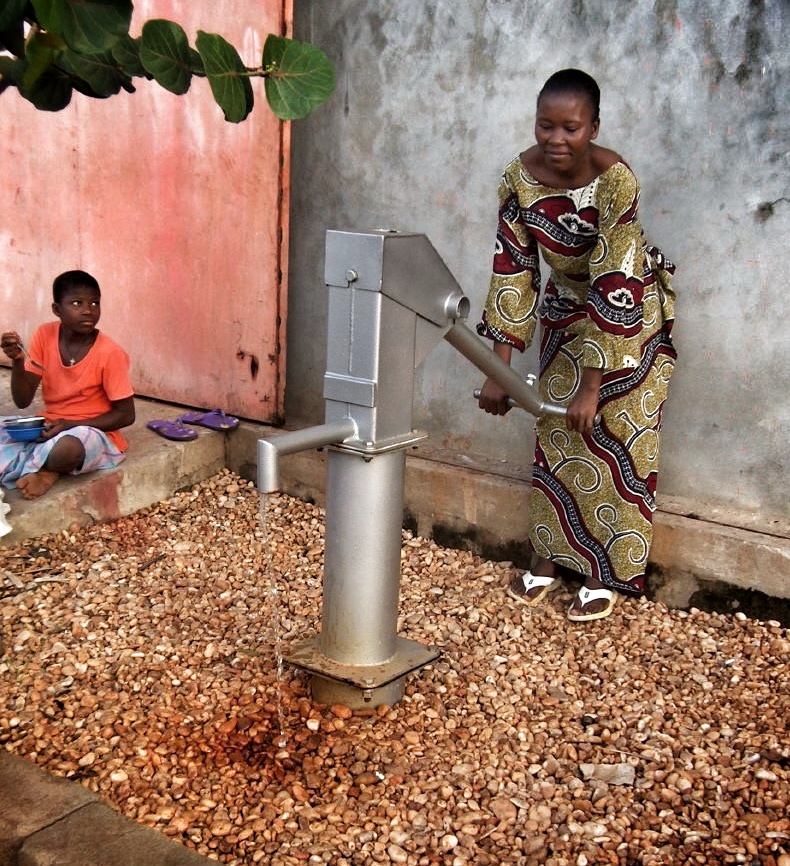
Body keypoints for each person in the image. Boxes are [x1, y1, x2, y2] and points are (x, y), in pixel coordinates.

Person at [477, 69, 677, 622]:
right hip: (567, 312)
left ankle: (603, 573)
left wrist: (593, 384)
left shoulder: (616, 181)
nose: (556, 139)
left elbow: (615, 274)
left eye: (571, 127)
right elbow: (512, 270)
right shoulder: (519, 178)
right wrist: (500, 370)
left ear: (593, 127)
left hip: (630, 316)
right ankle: (546, 559)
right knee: (556, 432)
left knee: (615, 439)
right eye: (546, 125)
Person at [0, 270, 135, 500]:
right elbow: (22, 401)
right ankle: (40, 463)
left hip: (92, 432)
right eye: (77, 303)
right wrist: (17, 360)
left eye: (95, 303)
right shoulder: (45, 335)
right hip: (50, 427)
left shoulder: (110, 353)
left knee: (68, 449)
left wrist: (70, 424)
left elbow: (126, 415)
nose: (88, 310)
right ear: (57, 310)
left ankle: (47, 472)